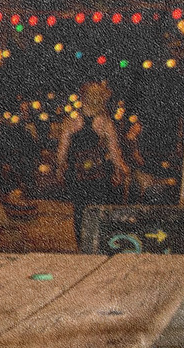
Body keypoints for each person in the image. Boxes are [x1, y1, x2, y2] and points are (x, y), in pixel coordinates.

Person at [55, 81, 131, 240]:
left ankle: (81, 242)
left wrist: (60, 169)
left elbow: (61, 153)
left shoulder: (72, 122)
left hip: (77, 174)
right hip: (98, 174)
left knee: (79, 208)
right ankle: (96, 241)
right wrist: (122, 168)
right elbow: (114, 152)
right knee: (98, 208)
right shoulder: (104, 123)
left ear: (84, 98)